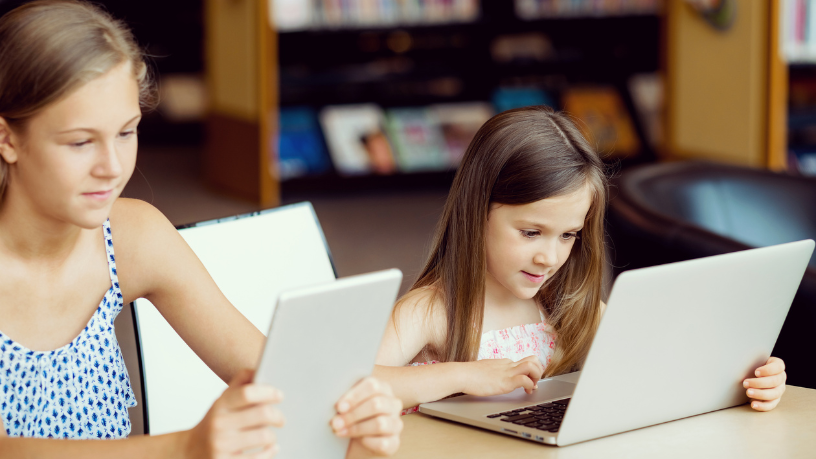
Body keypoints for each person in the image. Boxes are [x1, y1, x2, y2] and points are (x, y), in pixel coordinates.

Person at [0, 1, 402, 457]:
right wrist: (187, 446)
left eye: (126, 132)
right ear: (8, 138)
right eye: (80, 142)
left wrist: (379, 404)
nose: (112, 168)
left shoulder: (131, 237)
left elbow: (277, 374)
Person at [373, 105, 787, 414]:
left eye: (568, 235)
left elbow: (659, 359)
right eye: (531, 232)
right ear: (476, 211)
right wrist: (462, 375)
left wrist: (750, 376)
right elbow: (355, 384)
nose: (548, 256)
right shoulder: (432, 308)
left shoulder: (565, 304)